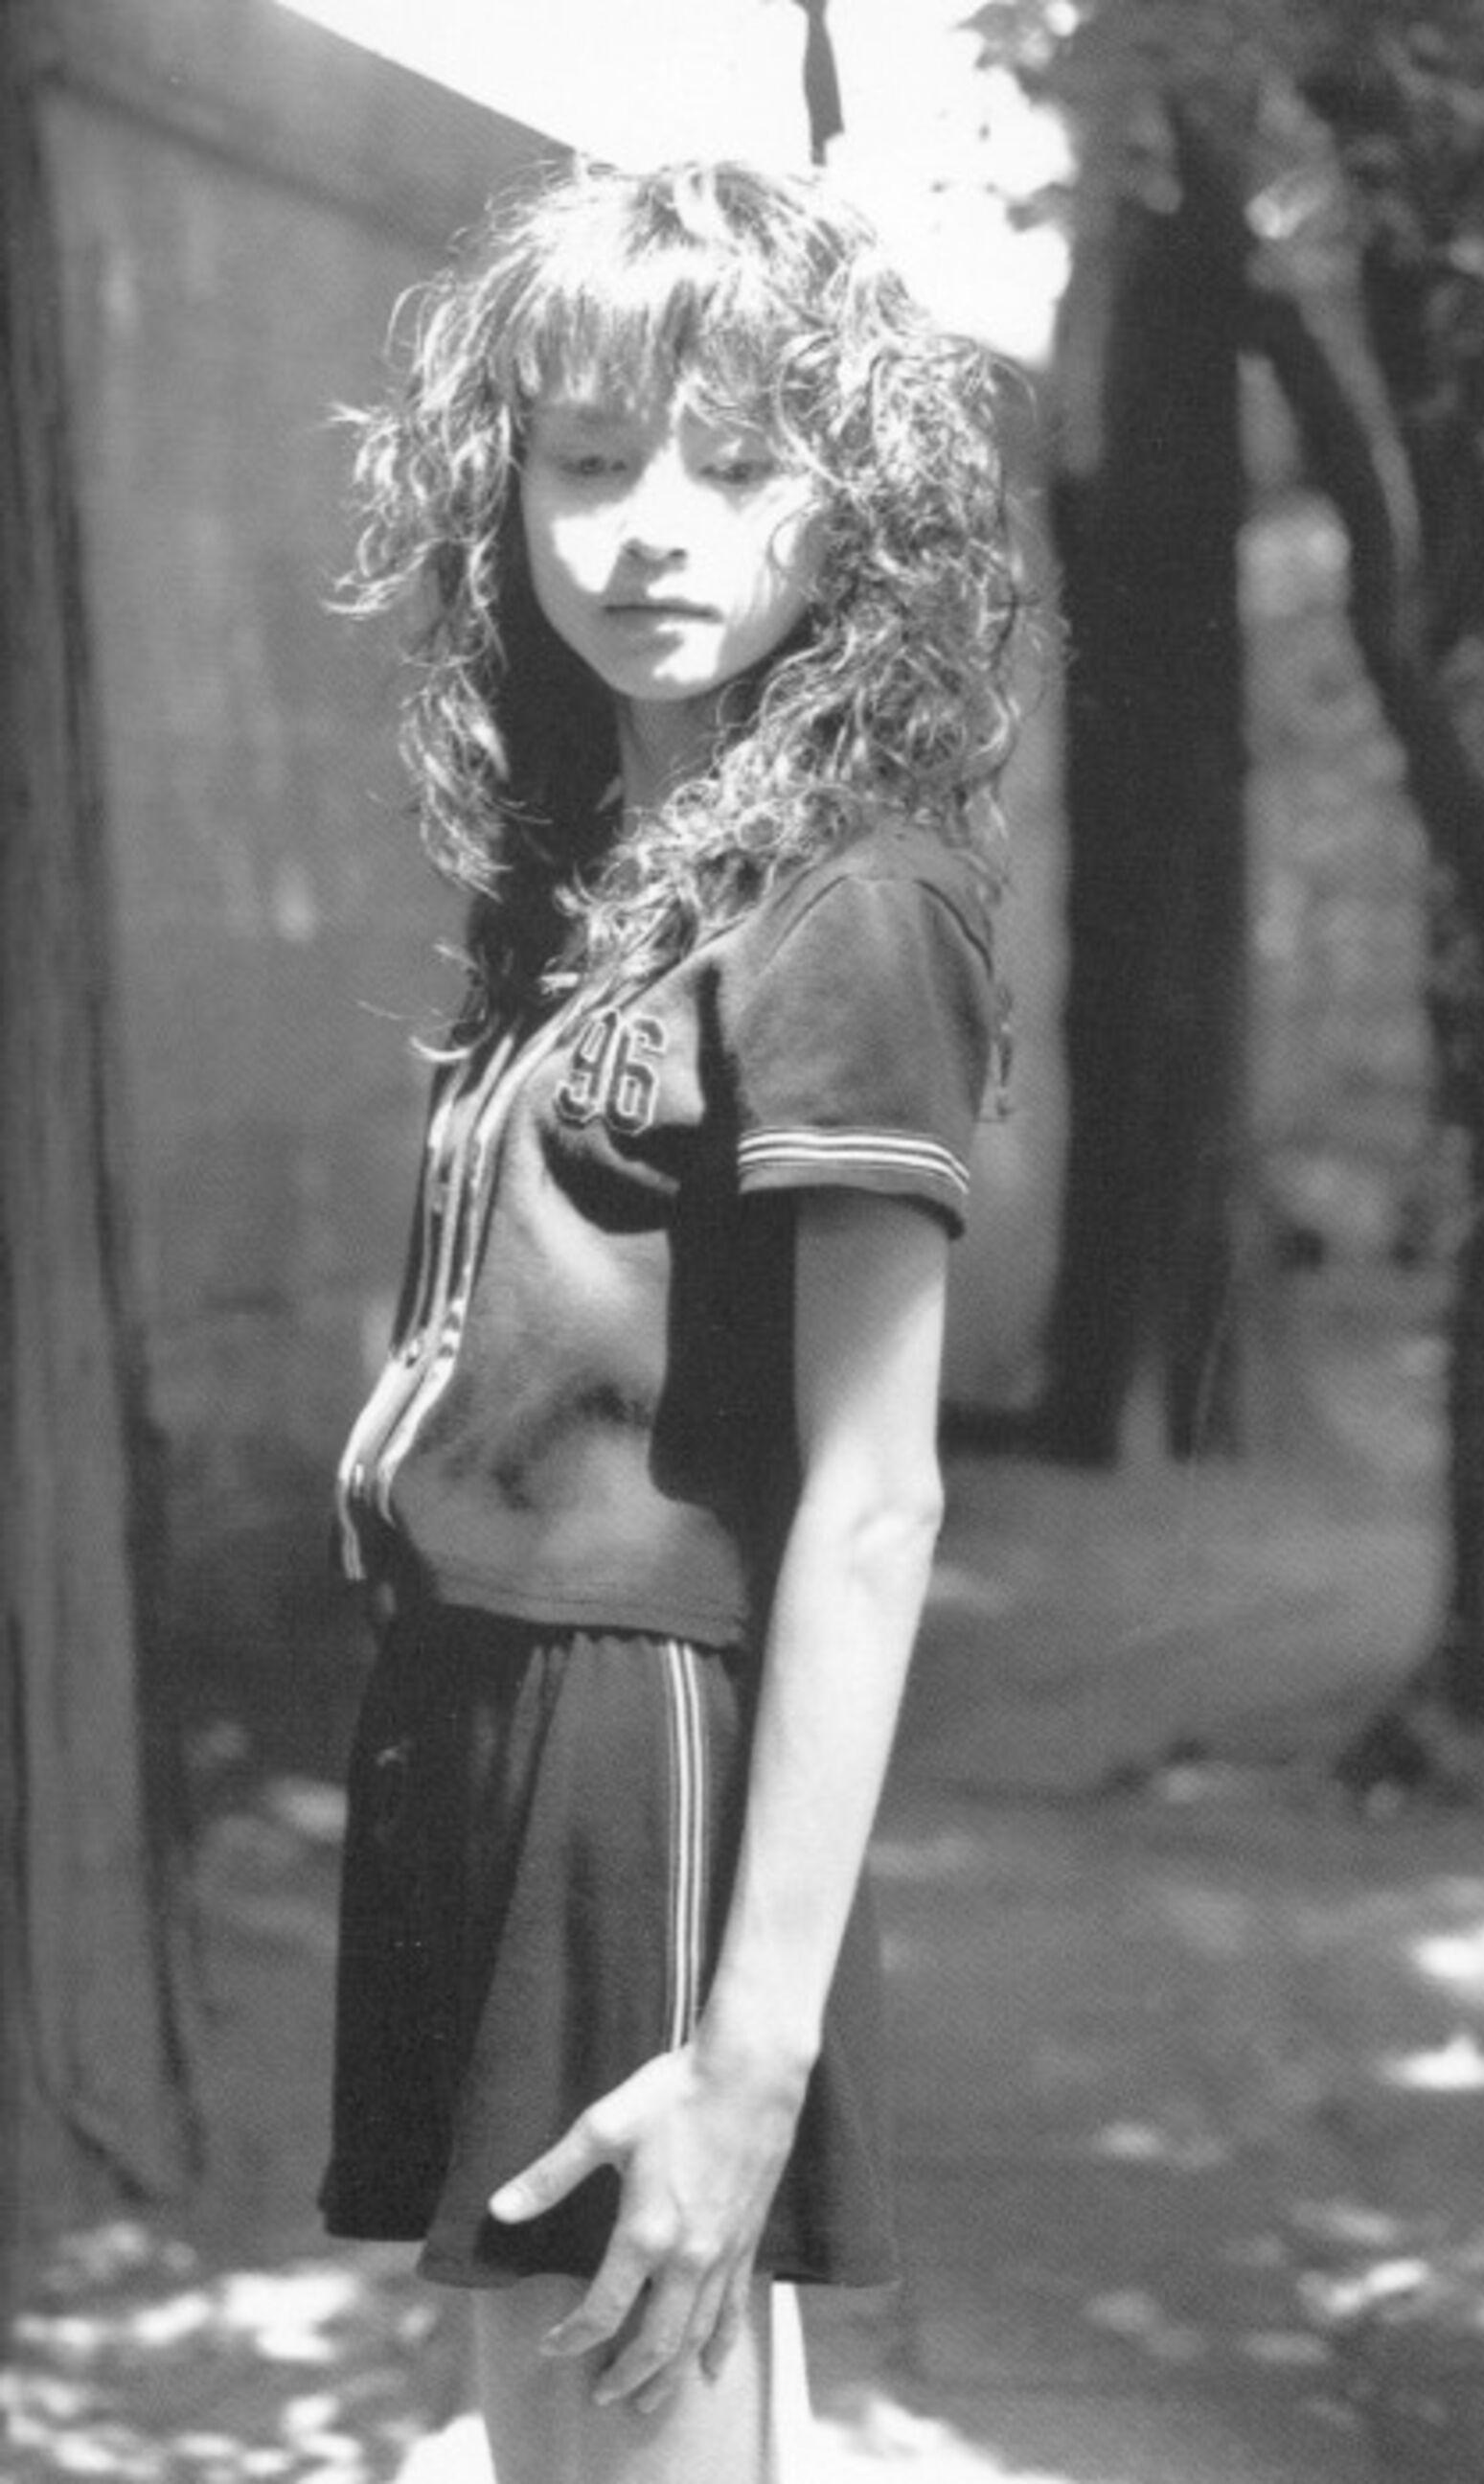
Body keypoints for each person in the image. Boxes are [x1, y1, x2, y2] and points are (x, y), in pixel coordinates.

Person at [318, 157, 1021, 2484]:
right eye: (592, 460)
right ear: (504, 487)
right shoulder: (588, 882)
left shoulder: (849, 907)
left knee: (619, 2425)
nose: (651, 533)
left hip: (644, 1742)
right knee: (568, 2422)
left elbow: (877, 1504)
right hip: (476, 1701)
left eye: (737, 463)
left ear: (856, 500)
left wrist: (750, 2055)